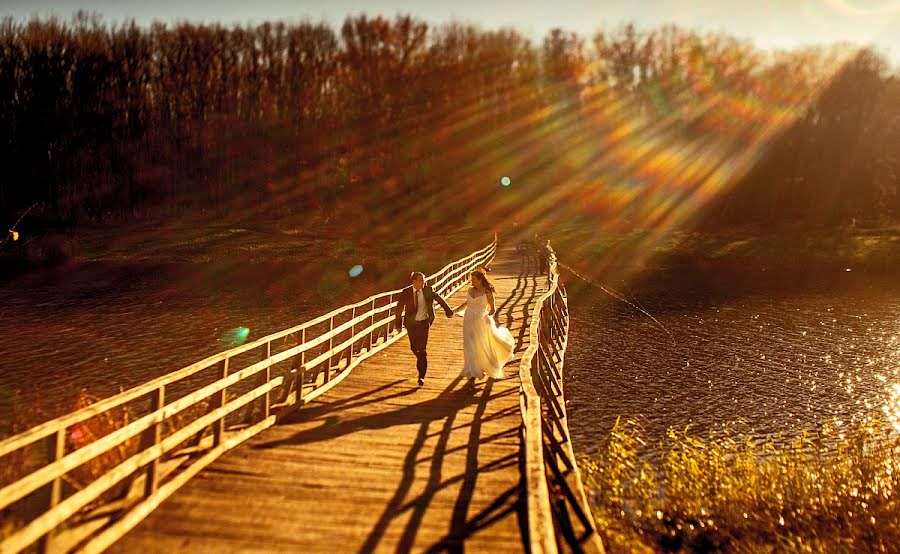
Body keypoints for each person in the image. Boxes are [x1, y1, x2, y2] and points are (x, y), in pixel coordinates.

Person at [452, 269, 515, 389]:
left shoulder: (487, 292)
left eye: (474, 279)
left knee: (480, 346)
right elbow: (466, 304)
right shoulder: (470, 290)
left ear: (480, 280)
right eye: (471, 279)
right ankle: (472, 376)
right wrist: (454, 311)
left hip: (481, 321)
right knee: (469, 346)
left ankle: (481, 368)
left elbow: (493, 309)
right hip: (468, 320)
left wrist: (487, 317)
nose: (472, 281)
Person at [394, 271, 454, 386]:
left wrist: (448, 311)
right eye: (421, 280)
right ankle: (421, 360)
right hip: (411, 324)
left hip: (424, 323)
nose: (423, 282)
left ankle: (421, 376)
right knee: (413, 348)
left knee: (422, 350)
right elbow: (399, 308)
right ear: (414, 282)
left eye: (424, 280)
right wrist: (398, 324)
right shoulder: (406, 292)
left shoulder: (428, 290)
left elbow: (439, 299)